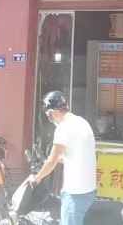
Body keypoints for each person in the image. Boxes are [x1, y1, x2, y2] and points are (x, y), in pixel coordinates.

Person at [28, 91, 97, 225]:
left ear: (53, 112)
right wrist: (55, 160)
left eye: (49, 116)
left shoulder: (63, 128)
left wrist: (36, 178)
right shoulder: (81, 122)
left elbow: (51, 161)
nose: (51, 120)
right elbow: (76, 154)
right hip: (88, 190)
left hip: (75, 193)